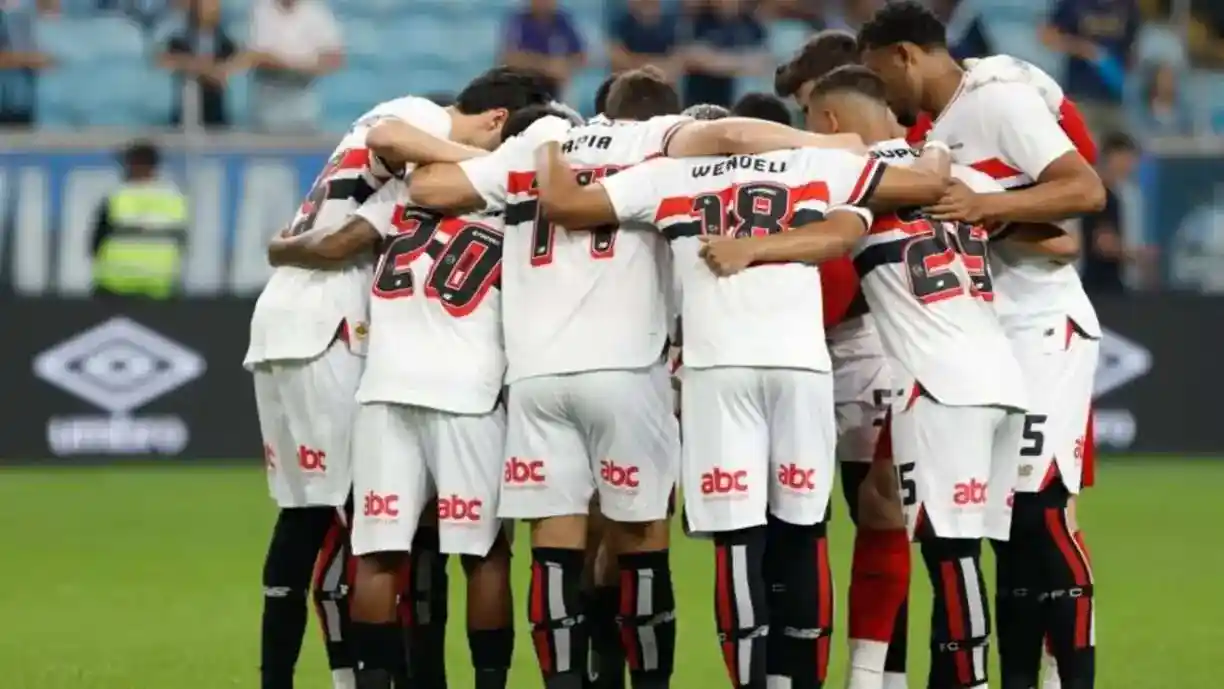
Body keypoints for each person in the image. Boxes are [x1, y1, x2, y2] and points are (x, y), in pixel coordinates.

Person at [529, 76, 958, 689]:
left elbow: (565, 205)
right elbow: (927, 185)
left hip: (717, 369)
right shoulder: (808, 162)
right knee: (803, 533)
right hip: (799, 366)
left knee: (738, 545)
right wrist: (934, 148)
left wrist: (547, 142)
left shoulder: (665, 177)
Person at [700, 66, 1029, 689]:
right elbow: (1055, 238)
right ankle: (882, 676)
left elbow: (831, 242)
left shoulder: (848, 174)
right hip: (994, 372)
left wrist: (749, 249)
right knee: (915, 527)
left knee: (923, 542)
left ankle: (881, 676)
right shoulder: (959, 172)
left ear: (825, 121)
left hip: (920, 372)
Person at [243, 66, 552, 689]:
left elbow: (341, 226)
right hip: (338, 328)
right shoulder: (429, 126)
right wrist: (488, 164)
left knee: (319, 519)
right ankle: (355, 677)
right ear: (497, 123)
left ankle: (316, 676)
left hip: (300, 323)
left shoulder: (402, 186)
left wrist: (280, 251)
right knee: (372, 529)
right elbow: (391, 135)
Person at [859, 3, 1105, 687]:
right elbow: (1046, 233)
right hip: (997, 336)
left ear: (906, 54)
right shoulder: (937, 132)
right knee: (1008, 528)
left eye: (882, 73)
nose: (884, 92)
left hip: (1044, 323)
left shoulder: (995, 98)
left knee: (1042, 510)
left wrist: (989, 207)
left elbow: (1084, 189)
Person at [772, 31, 914, 689]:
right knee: (801, 516)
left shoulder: (890, 161)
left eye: (810, 106)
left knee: (879, 512)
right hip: (803, 345)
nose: (808, 125)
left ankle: (882, 674)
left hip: (867, 344)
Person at [91, 140, 188, 300]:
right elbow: (183, 242)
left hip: (115, 286)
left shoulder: (116, 197)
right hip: (160, 286)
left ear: (132, 164)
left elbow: (95, 244)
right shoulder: (175, 199)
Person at [244, 0, 345, 131]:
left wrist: (292, 65)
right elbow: (255, 56)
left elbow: (335, 58)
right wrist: (298, 65)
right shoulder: (261, 10)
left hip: (305, 106)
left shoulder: (317, 11)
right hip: (268, 106)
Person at [158, 0, 239, 127]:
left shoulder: (226, 43)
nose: (211, 9)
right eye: (206, 4)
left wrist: (194, 66)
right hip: (183, 113)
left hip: (216, 116)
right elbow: (165, 61)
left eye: (214, 5)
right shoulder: (179, 40)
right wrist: (202, 67)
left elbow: (223, 73)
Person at [500, 0, 587, 97]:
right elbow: (509, 58)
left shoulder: (562, 20)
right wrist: (546, 66)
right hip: (525, 85)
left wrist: (564, 65)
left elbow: (582, 56)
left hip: (557, 85)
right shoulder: (519, 21)